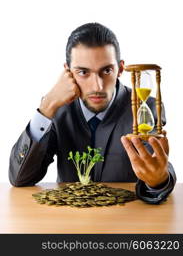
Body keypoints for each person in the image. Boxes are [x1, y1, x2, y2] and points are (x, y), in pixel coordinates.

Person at [9, 22, 176, 204]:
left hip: (126, 219)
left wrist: (158, 180)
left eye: (106, 70)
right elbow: (20, 179)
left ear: (120, 69)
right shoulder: (57, 109)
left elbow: (157, 166)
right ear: (67, 72)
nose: (97, 86)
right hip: (70, 221)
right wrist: (46, 107)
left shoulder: (147, 108)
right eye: (83, 72)